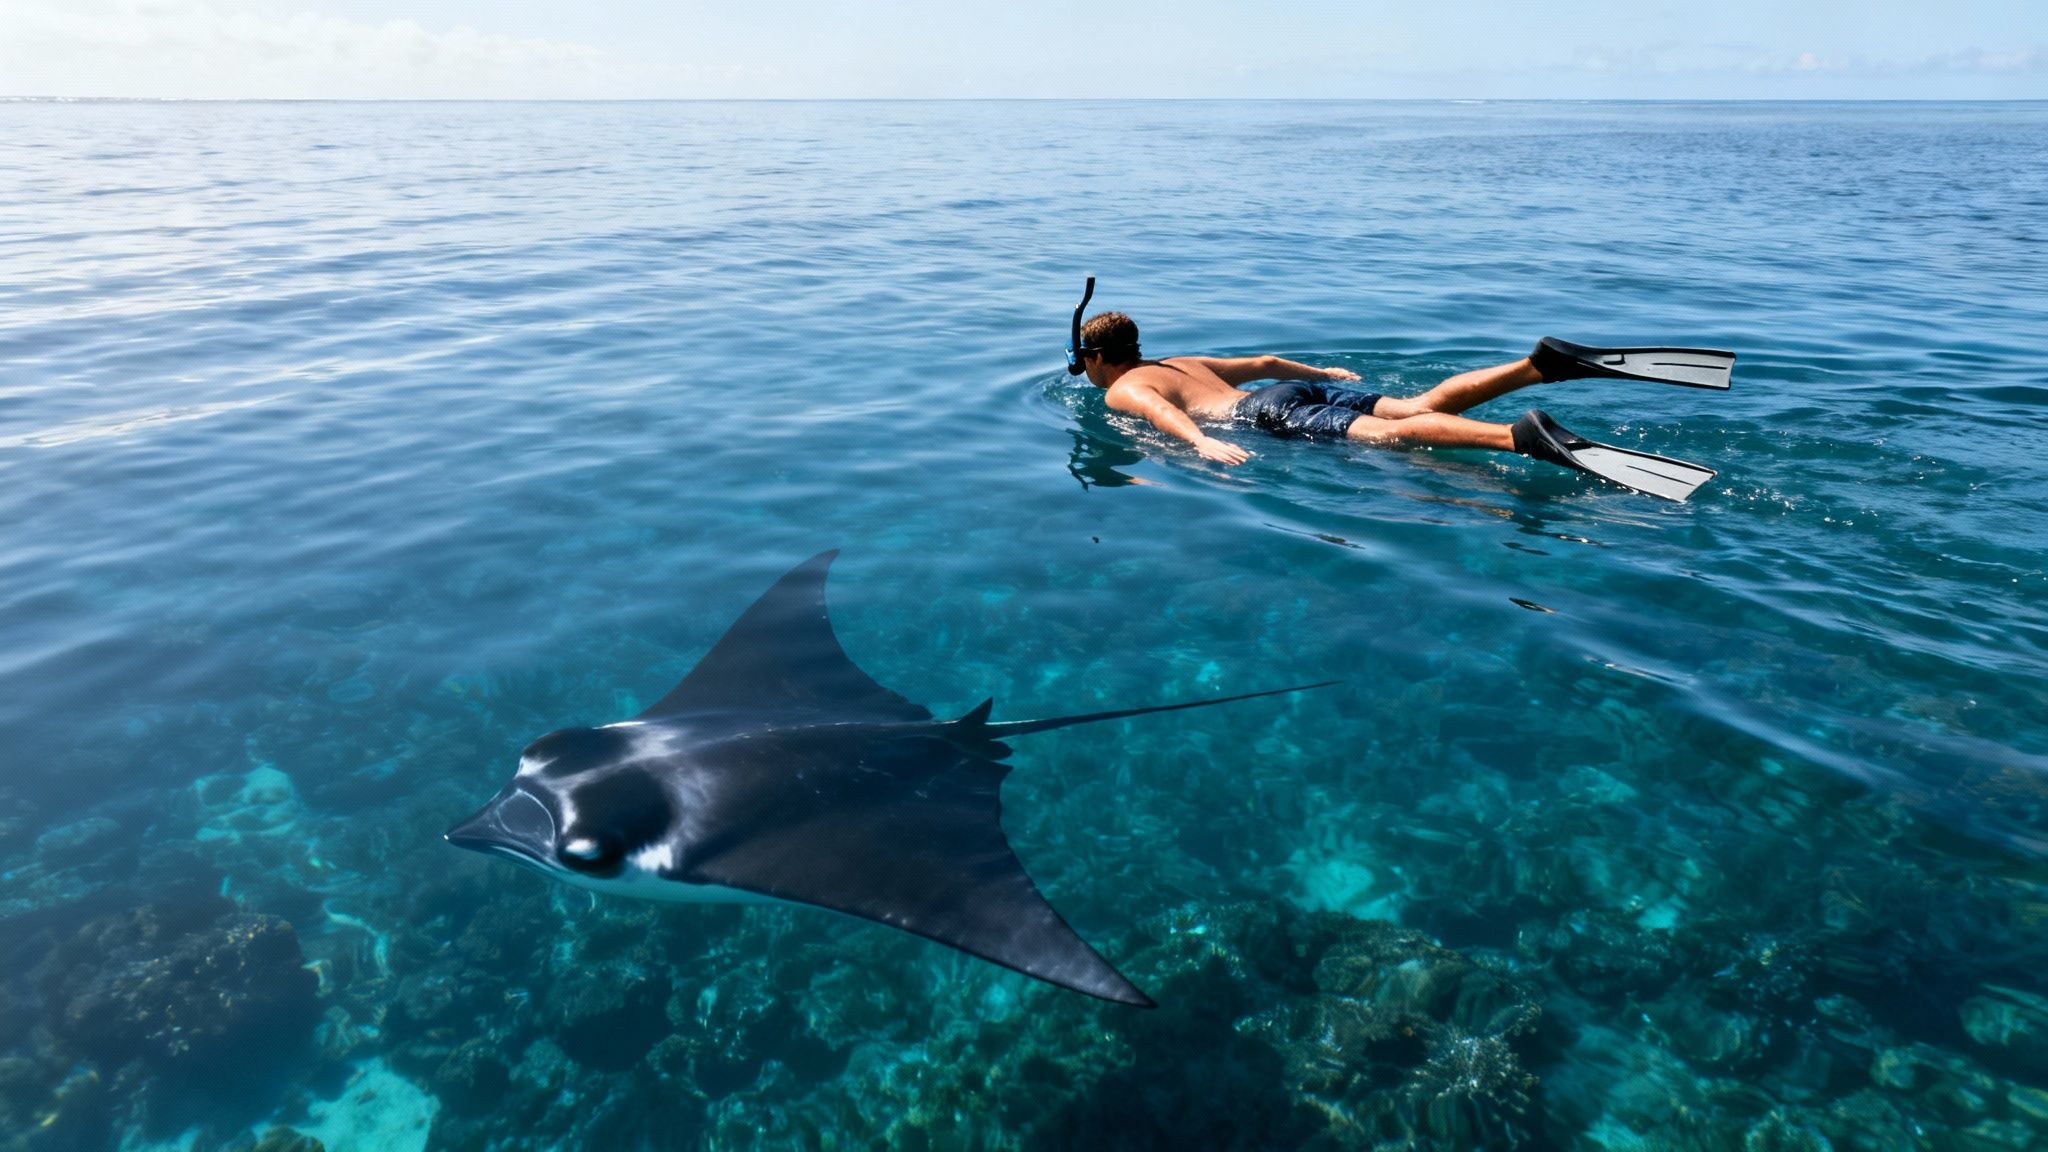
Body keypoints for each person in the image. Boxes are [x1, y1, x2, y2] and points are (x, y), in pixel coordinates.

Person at [1067, 309, 1729, 502]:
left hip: (1256, 418)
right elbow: (1267, 364)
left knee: (1392, 438)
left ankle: (1516, 438)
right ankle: (1539, 366)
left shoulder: (1126, 385)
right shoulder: (1177, 360)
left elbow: (1158, 414)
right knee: (1412, 405)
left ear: (1098, 357)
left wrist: (1201, 444)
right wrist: (1322, 371)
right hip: (1287, 392)